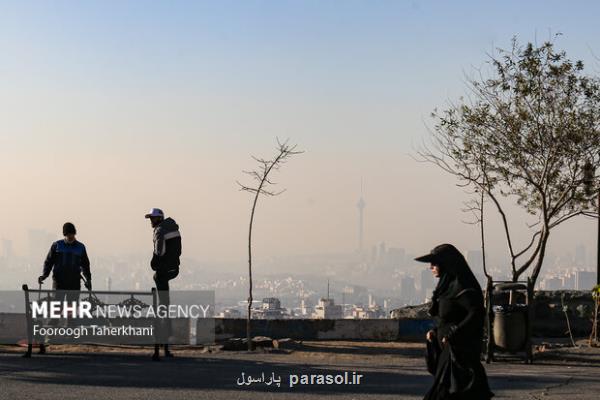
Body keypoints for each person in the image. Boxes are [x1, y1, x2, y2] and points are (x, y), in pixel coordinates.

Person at [415, 244, 494, 400]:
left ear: (446, 264)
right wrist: (436, 332)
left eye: (435, 263)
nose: (431, 267)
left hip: (458, 353)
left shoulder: (463, 287)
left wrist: (454, 334)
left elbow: (476, 313)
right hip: (448, 351)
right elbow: (450, 316)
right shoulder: (447, 286)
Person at [37, 222, 92, 353]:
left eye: (72, 234)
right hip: (59, 282)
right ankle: (49, 336)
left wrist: (88, 279)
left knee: (71, 309)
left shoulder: (80, 247)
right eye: (69, 234)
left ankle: (71, 335)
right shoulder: (57, 246)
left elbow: (85, 264)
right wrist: (44, 275)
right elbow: (49, 262)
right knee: (56, 308)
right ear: (65, 235)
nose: (71, 237)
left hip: (74, 282)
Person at [145, 208, 181, 358]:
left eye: (153, 218)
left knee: (161, 308)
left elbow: (159, 252)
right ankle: (165, 346)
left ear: (159, 219)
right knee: (165, 304)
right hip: (174, 269)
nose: (151, 221)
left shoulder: (159, 231)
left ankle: (160, 343)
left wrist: (154, 263)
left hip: (164, 271)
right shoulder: (173, 227)